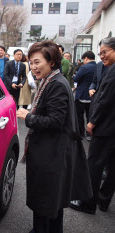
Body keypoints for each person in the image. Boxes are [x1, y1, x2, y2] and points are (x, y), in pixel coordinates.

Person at [17, 40, 92, 233]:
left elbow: (54, 122)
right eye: (31, 63)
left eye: (37, 62)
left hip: (52, 155)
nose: (33, 67)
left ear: (51, 62)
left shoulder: (56, 84)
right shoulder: (52, 80)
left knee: (45, 201)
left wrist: (29, 116)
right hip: (51, 152)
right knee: (51, 203)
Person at [70, 37, 115, 215]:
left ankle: (88, 203)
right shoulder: (108, 69)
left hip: (105, 126)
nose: (101, 56)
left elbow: (105, 99)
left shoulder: (112, 71)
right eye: (100, 53)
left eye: (105, 52)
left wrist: (92, 121)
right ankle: (103, 201)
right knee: (112, 166)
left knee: (95, 164)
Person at [72, 51, 96, 141]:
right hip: (93, 95)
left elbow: (76, 78)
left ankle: (81, 133)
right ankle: (89, 134)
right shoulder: (99, 66)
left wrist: (73, 77)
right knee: (90, 116)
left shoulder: (84, 67)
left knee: (79, 116)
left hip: (82, 95)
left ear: (86, 58)